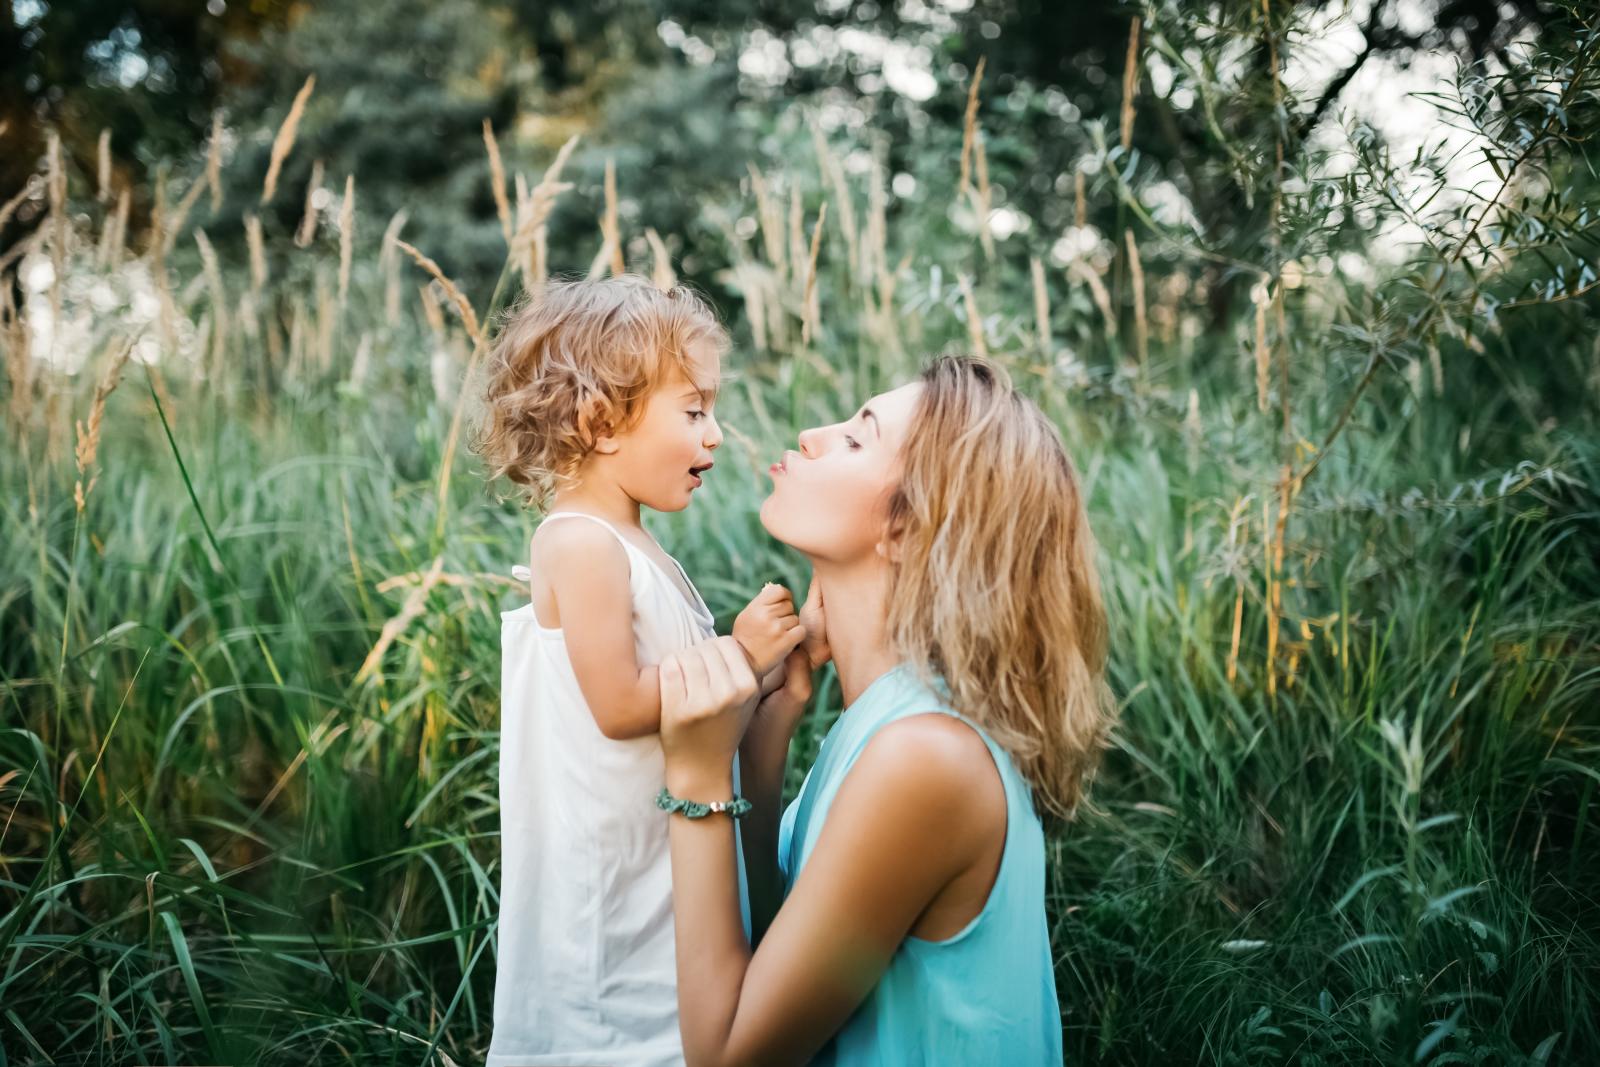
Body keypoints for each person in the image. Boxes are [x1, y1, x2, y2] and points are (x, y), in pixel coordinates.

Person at [654, 355, 1117, 1065]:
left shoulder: (926, 756)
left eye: (855, 438)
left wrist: (695, 774)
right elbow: (774, 960)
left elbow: (726, 1055)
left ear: (907, 527)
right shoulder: (885, 723)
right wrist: (761, 740)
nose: (811, 433)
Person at [474, 275, 806, 1067]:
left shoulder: (635, 544)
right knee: (612, 1031)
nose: (716, 435)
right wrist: (742, 652)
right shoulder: (578, 542)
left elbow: (685, 697)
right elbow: (622, 703)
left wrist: (770, 670)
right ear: (601, 422)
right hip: (607, 885)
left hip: (658, 858)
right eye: (693, 411)